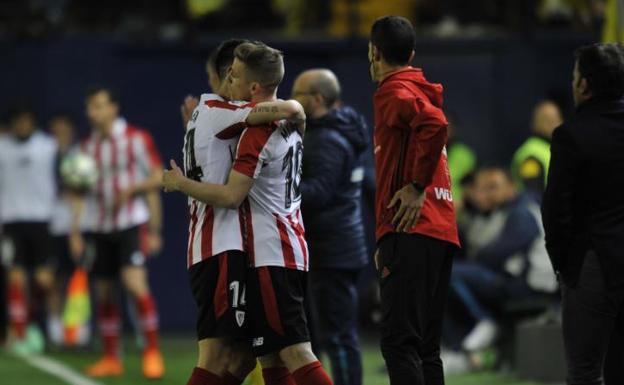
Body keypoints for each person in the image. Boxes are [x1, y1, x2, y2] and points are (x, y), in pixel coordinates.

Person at [164, 41, 334, 385]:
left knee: (274, 353)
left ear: (254, 86)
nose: (229, 78)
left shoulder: (250, 127)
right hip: (283, 247)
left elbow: (230, 195)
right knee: (257, 355)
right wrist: (296, 109)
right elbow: (290, 112)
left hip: (261, 250)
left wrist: (180, 183)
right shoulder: (283, 126)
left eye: (236, 73)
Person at [368, 16, 460, 385]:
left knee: (398, 343)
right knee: (425, 347)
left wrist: (417, 185)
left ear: (374, 53)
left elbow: (435, 124)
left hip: (411, 228)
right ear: (412, 53)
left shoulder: (393, 91)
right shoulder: (420, 88)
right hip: (439, 230)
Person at [69, 87, 165, 379]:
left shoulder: (136, 139)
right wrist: (75, 231)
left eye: (98, 106)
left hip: (130, 224)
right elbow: (79, 191)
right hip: (99, 226)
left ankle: (151, 352)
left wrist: (154, 228)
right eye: (89, 107)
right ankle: (112, 357)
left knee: (135, 284)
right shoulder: (86, 148)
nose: (92, 113)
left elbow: (159, 175)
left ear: (113, 108)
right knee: (105, 292)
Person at [542, 42, 624, 385]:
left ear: (584, 84)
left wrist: (564, 264)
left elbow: (556, 208)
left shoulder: (571, 135)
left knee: (585, 371)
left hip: (594, 265)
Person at [292, 68, 368, 385]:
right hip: (335, 246)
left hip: (331, 249)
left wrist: (275, 185)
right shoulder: (337, 131)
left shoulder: (325, 140)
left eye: (298, 95)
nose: (291, 101)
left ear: (318, 99)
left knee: (336, 337)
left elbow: (318, 193)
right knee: (326, 335)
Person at [443, 167, 556, 363]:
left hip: (529, 284)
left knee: (449, 273)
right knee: (445, 276)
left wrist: (477, 257)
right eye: (483, 189)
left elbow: (495, 255)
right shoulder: (494, 212)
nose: (487, 194)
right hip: (512, 278)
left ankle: (484, 321)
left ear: (511, 187)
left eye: (493, 187)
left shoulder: (522, 212)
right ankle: (459, 346)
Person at [0, 107, 58, 354]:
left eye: (27, 122)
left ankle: (41, 325)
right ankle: (19, 332)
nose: (22, 126)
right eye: (18, 122)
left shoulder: (48, 146)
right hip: (11, 221)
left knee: (44, 280)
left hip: (42, 220)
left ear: (33, 123)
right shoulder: (2, 147)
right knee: (15, 277)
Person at [510, 100, 563, 201]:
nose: (560, 123)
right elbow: (533, 195)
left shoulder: (550, 148)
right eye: (556, 119)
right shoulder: (532, 154)